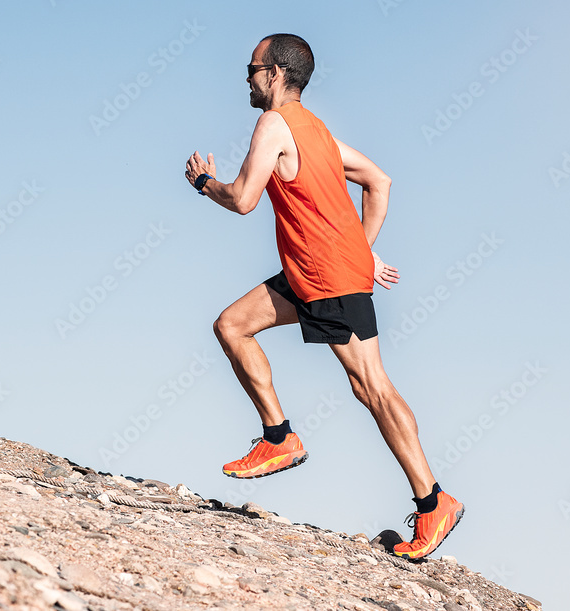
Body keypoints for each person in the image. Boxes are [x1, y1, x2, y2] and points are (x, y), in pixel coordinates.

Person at [183, 34, 463, 561]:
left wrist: (204, 183)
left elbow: (243, 198)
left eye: (251, 68)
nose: (246, 77)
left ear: (276, 74)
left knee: (372, 388)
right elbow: (377, 181)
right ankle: (279, 437)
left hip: (329, 277)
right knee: (231, 325)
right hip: (313, 271)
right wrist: (361, 248)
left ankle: (433, 503)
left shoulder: (274, 124)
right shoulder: (318, 130)